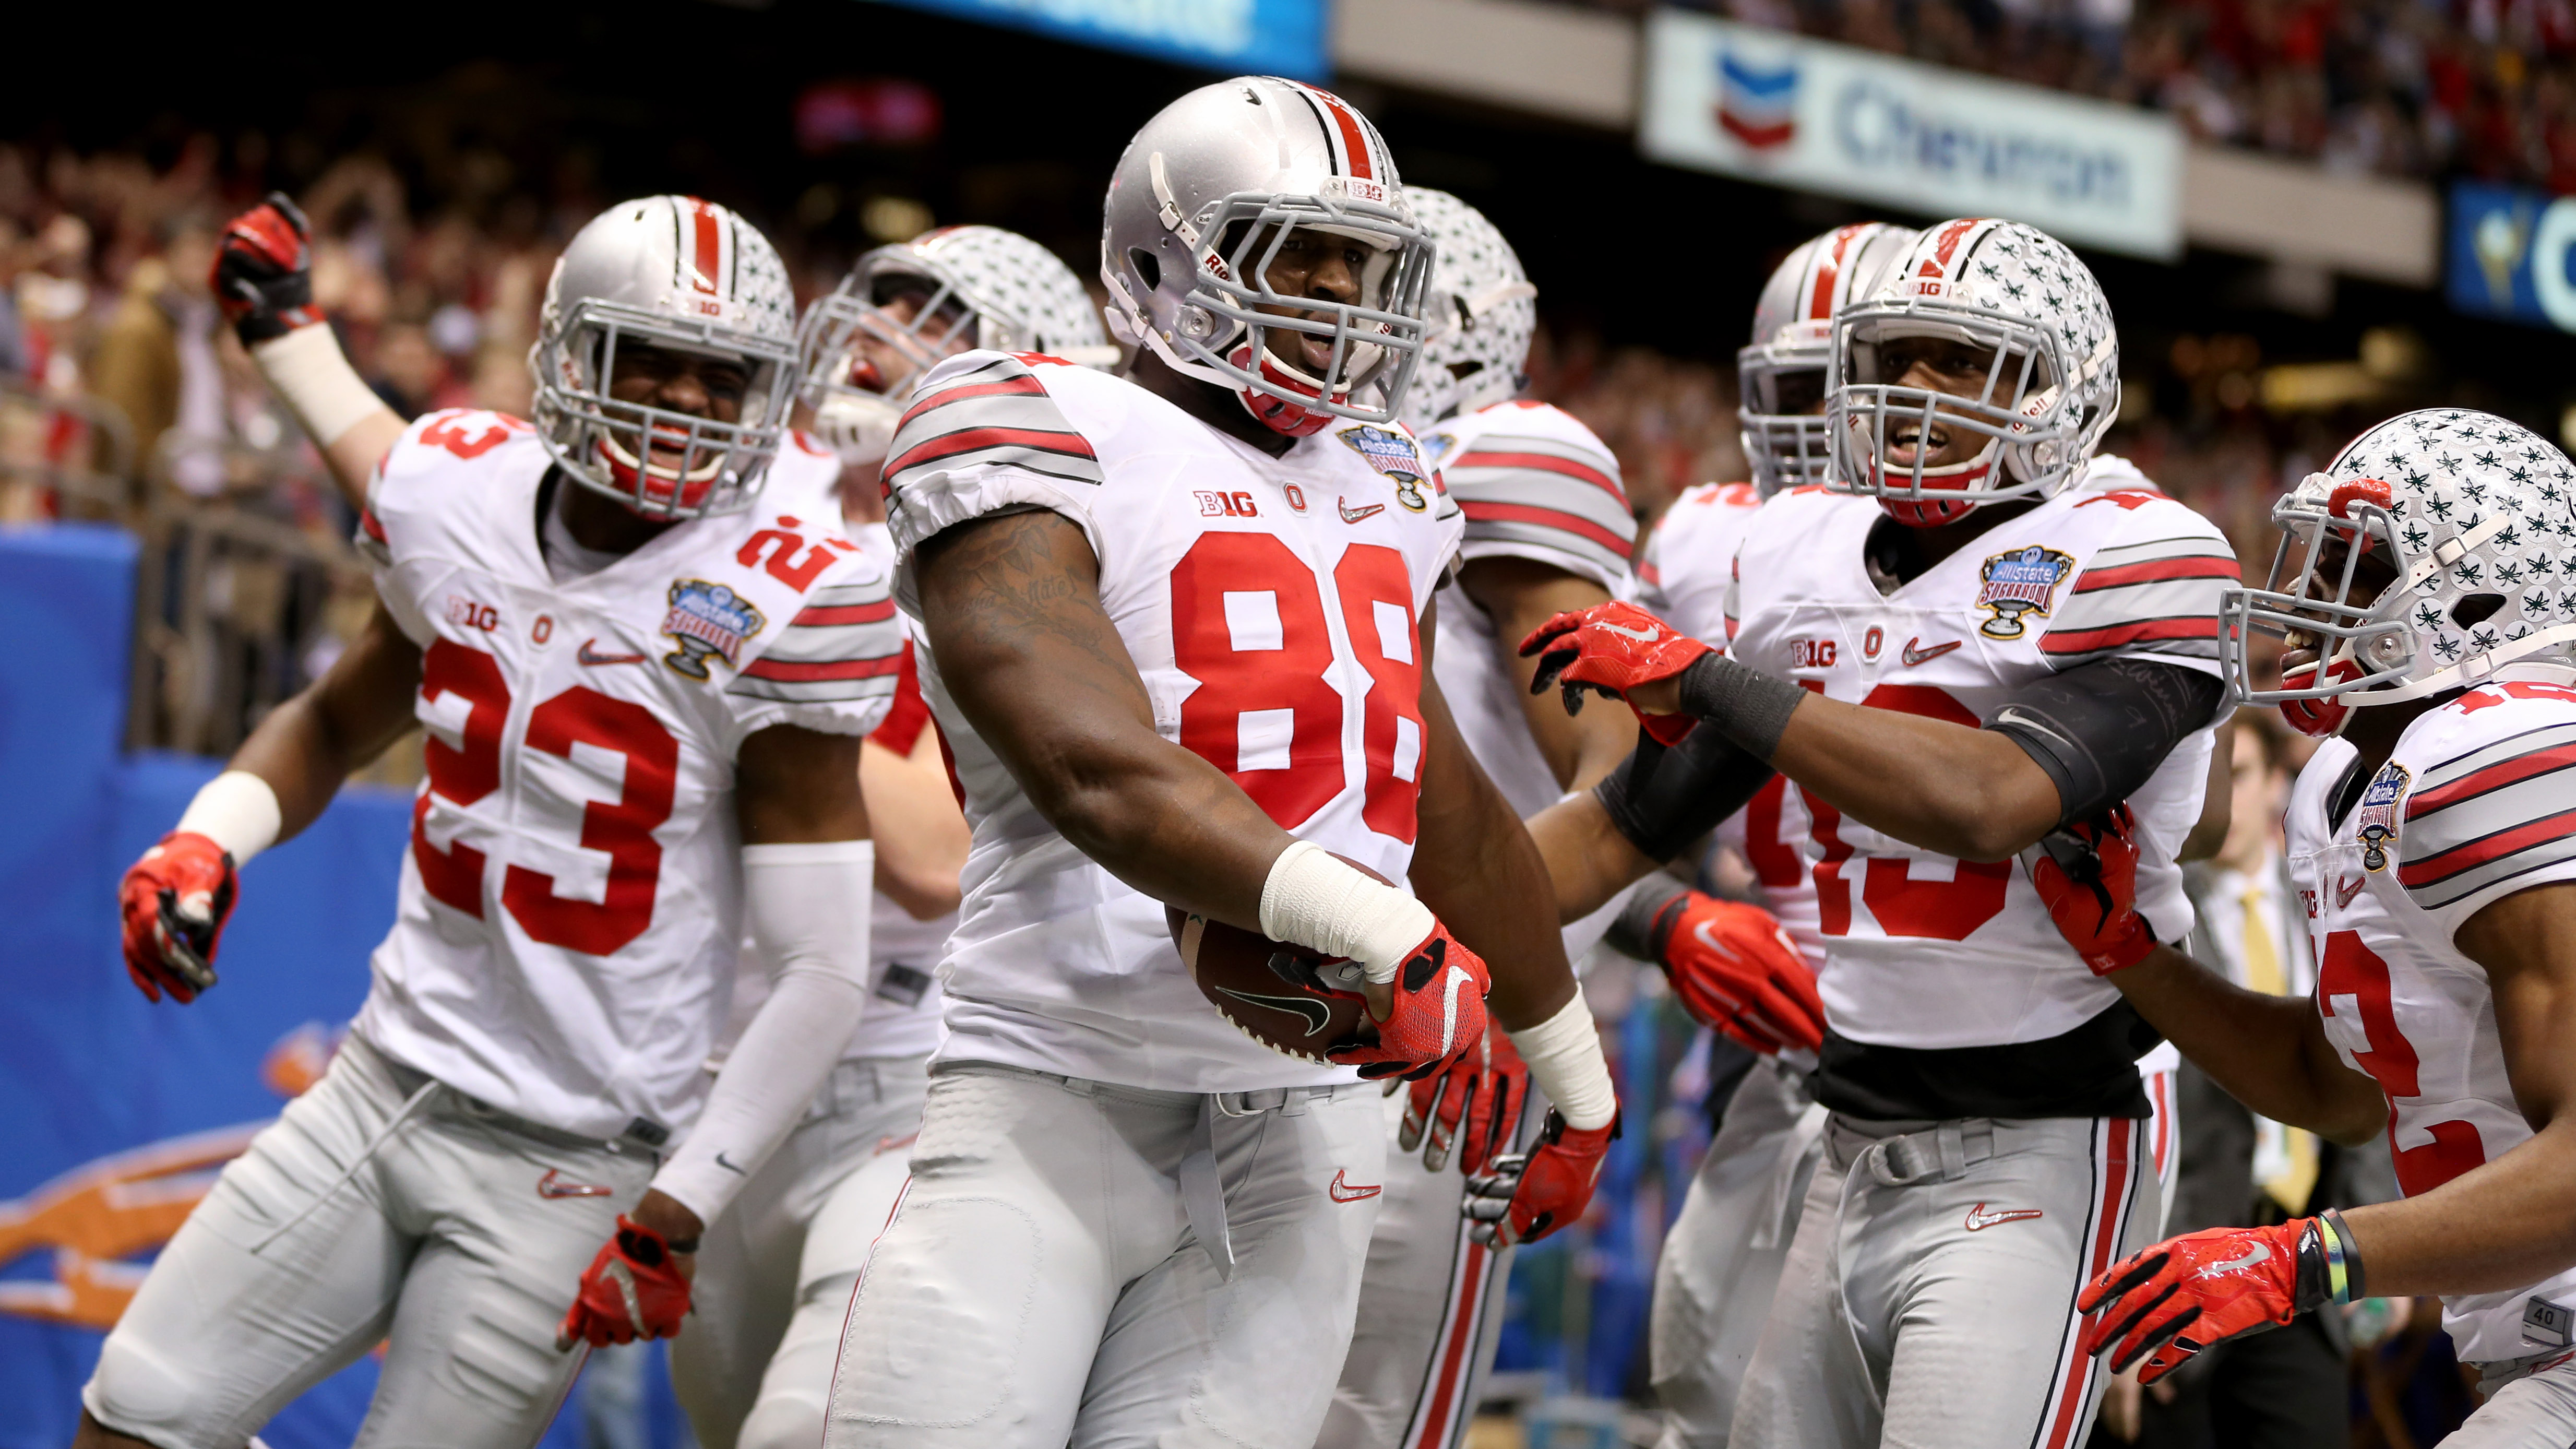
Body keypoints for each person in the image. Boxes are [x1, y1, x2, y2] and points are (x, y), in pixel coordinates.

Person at [816, 77, 1617, 1449]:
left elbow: (1428, 790)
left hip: (1310, 1128)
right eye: (1289, 248)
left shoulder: (1397, 482)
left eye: (1358, 260)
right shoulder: (1031, 423)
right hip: (1056, 1090)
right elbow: (1098, 770)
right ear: (1158, 258)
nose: (1331, 290)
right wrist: (1390, 938)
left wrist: (1574, 1074)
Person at [94, 195, 905, 1448]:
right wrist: (209, 837)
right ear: (570, 354)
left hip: (577, 1157)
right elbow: (329, 720)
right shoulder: (453, 491)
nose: (687, 398)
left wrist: (675, 1208)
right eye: (654, 357)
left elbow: (819, 965)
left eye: (721, 373)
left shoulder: (786, 592)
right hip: (376, 1082)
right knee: (135, 1415)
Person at [1520, 218, 2239, 1448]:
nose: (1912, 388)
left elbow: (1989, 798)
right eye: (1894, 354)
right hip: (1845, 1136)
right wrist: (1384, 925)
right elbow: (1614, 831)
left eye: (1959, 360)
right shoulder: (1799, 554)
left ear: (2068, 387)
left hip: (2038, 1140)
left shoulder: (2134, 550)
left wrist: (1707, 678)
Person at [1318, 189, 1820, 1449]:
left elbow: (1591, 762)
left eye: (1353, 275)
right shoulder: (1239, 462)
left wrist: (1642, 913)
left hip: (1432, 1020)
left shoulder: (1492, 449)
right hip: (1254, 984)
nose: (1326, 303)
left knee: (1362, 1410)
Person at [2037, 408, 2576, 1446]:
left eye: (2357, 563)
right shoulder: (2344, 782)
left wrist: (2301, 1258)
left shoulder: (2504, 756)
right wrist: (2129, 950)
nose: (2313, 593)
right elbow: (2335, 1085)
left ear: (2481, 597)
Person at [670, 224, 1111, 1449]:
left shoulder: (1018, 565)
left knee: (812, 1427)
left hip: (902, 1065)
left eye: (935, 314)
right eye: (884, 300)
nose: (877, 333)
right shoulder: (756, 508)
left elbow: (928, 853)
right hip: (711, 1067)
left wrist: (731, 688)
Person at [1633, 220, 1914, 1449]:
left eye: (1863, 378)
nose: (1831, 417)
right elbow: (1629, 783)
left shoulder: (2041, 544)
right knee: (1704, 1368)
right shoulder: (1703, 532)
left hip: (1955, 1025)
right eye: (1803, 385)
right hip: (1772, 1013)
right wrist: (1688, 895)